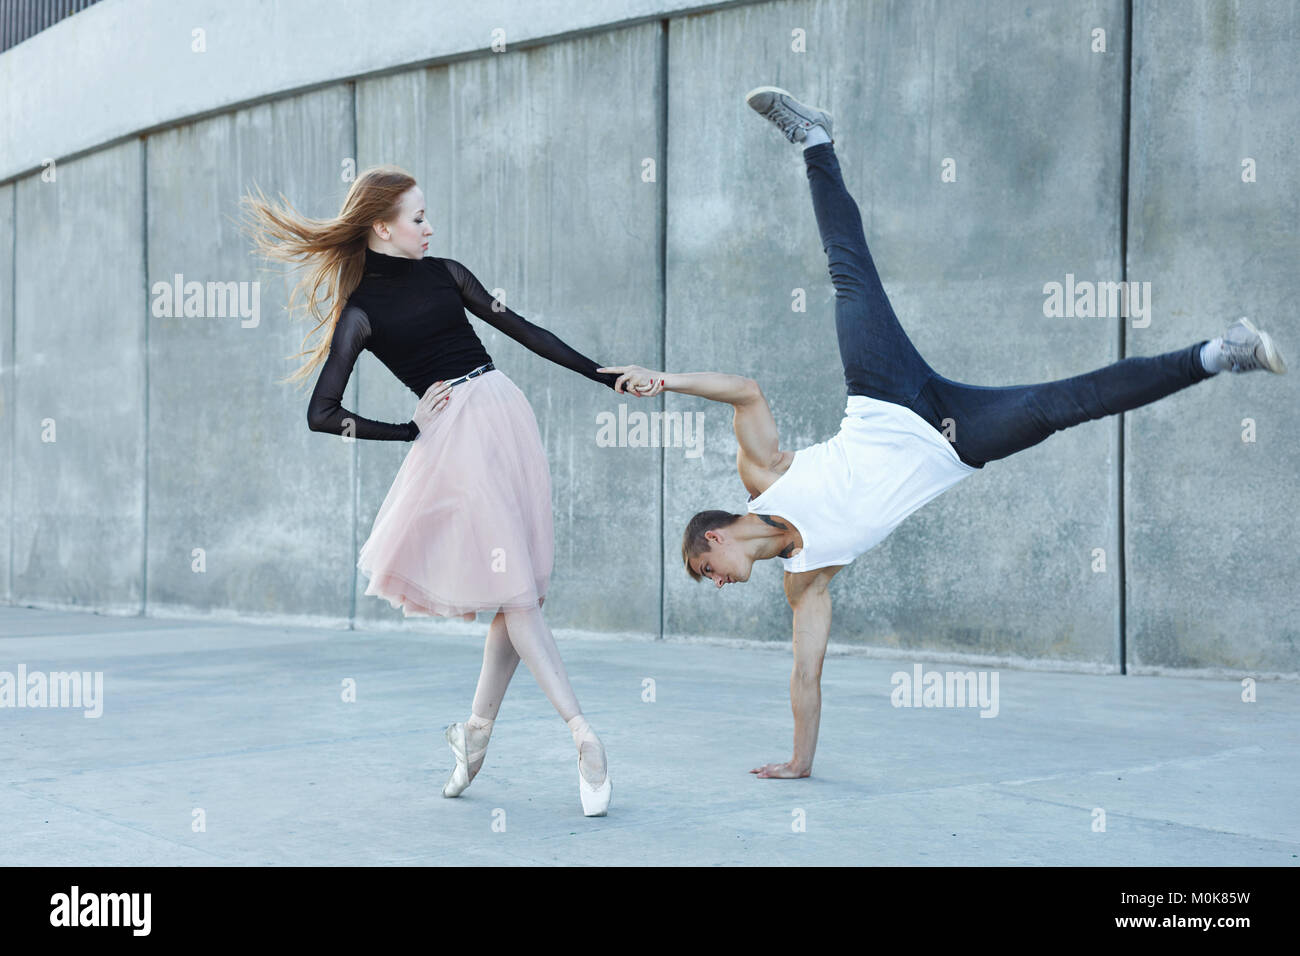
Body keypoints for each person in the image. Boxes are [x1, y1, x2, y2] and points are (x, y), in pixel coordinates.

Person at [601, 87, 1288, 781]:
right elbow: (805, 676)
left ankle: (812, 140)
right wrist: (799, 763)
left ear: (712, 536)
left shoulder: (762, 477)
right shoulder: (804, 584)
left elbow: (745, 391)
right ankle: (1220, 353)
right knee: (1066, 402)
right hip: (953, 443)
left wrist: (667, 378)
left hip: (883, 393)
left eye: (704, 571)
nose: (715, 583)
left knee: (850, 279)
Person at [240, 167, 614, 815]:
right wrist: (407, 429)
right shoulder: (362, 313)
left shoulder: (447, 273)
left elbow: (524, 330)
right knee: (517, 595)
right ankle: (583, 735)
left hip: (505, 414)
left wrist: (605, 377)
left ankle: (473, 735)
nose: (429, 227)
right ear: (382, 226)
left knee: (518, 593)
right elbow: (322, 413)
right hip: (455, 440)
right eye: (417, 218)